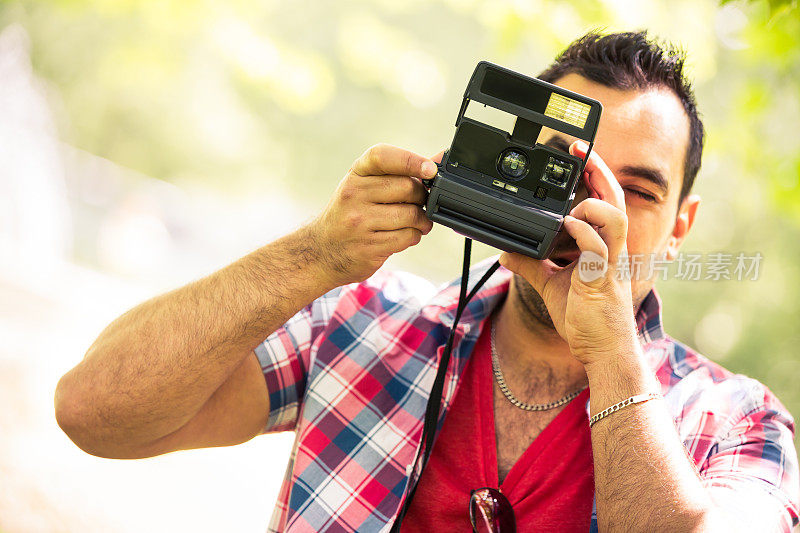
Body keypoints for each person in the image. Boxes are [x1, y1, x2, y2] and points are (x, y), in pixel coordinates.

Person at [55, 31, 799, 532]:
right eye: (564, 170)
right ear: (503, 171)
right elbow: (95, 410)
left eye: (634, 191)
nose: (591, 207)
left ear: (680, 227)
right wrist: (314, 254)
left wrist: (609, 351)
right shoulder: (361, 321)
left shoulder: (741, 421)